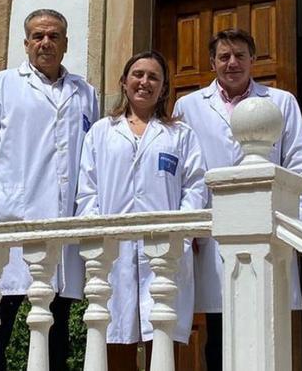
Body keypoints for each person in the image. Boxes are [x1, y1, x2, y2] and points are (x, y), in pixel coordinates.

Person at [0, 9, 100, 371]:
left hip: (63, 225)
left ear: (66, 43)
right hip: (13, 220)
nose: (46, 43)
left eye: (54, 36)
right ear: (26, 43)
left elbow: (91, 161)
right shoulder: (0, 85)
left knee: (56, 323)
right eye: (38, 36)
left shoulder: (86, 94)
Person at [171, 29, 302, 371]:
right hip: (213, 237)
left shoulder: (281, 103)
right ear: (212, 62)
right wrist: (191, 230)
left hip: (270, 232)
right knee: (220, 336)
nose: (232, 63)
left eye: (239, 56)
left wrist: (297, 229)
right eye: (224, 57)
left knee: (269, 328)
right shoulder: (188, 106)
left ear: (253, 60)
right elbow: (184, 174)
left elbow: (299, 168)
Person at [76, 51, 207, 370]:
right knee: (115, 338)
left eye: (153, 77)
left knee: (162, 339)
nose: (144, 82)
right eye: (137, 74)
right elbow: (87, 190)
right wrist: (97, 240)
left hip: (165, 254)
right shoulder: (102, 132)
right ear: (124, 82)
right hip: (113, 254)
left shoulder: (180, 135)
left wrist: (182, 237)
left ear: (163, 89)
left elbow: (195, 187)